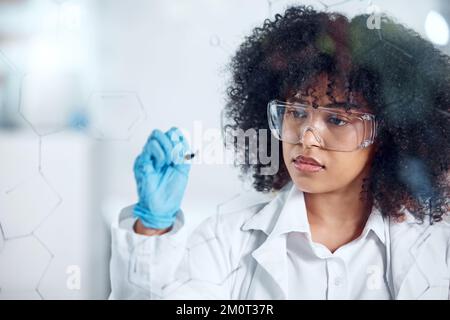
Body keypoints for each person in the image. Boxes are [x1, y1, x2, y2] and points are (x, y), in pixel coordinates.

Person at [109, 6, 450, 299]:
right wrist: (152, 230)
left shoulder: (433, 244)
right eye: (297, 112)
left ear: (386, 134)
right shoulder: (225, 239)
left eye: (336, 119)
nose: (307, 137)